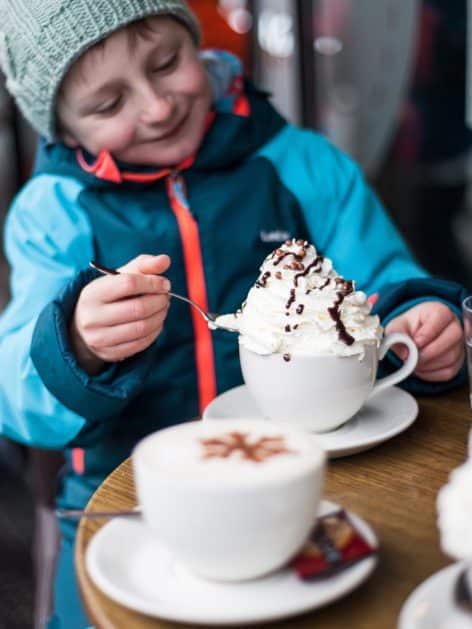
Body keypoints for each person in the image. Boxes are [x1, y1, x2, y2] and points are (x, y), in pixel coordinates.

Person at [0, 1, 467, 626]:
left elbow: (382, 291)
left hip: (317, 487)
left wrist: (423, 322)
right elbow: (16, 398)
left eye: (166, 63)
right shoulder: (54, 213)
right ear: (65, 130)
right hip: (126, 504)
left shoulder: (302, 164)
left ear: (197, 45)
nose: (157, 107)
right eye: (109, 105)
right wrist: (75, 346)